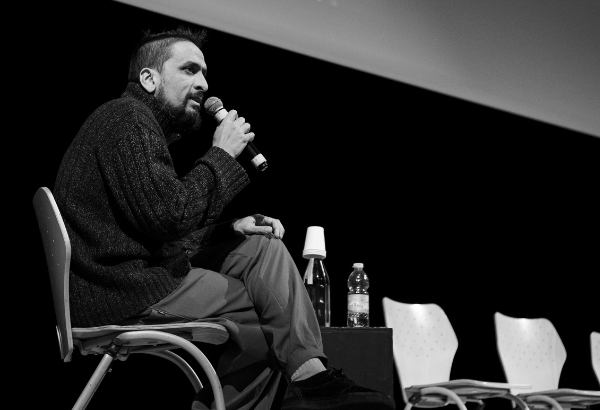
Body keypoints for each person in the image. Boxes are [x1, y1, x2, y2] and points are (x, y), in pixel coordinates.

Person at [52, 27, 394, 410]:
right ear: (149, 78)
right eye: (189, 70)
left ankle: (310, 376)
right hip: (120, 288)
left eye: (204, 73)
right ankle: (303, 384)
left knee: (260, 247)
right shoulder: (127, 118)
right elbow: (170, 218)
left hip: (135, 272)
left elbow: (156, 231)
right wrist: (222, 155)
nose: (203, 83)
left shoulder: (132, 123)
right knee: (264, 317)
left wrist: (230, 228)